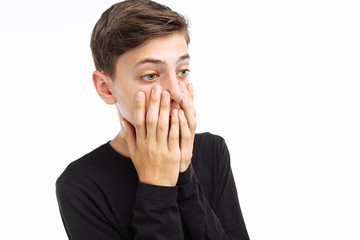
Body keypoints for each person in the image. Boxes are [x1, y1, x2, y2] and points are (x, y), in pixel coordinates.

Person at [56, 0, 250, 239]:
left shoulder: (212, 151)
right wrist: (156, 188)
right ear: (106, 88)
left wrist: (184, 174)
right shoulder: (81, 184)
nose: (177, 93)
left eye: (182, 71)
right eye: (150, 75)